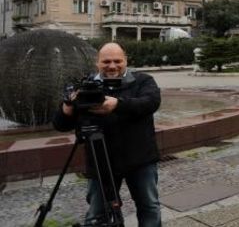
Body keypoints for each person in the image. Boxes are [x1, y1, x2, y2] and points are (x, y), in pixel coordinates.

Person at [53, 42, 161, 227]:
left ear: (126, 60)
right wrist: (68, 107)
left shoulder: (143, 81)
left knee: (149, 206)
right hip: (100, 160)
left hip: (140, 158)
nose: (112, 66)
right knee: (97, 213)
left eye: (117, 61)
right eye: (106, 61)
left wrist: (117, 105)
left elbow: (150, 103)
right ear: (97, 63)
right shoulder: (86, 86)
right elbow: (60, 125)